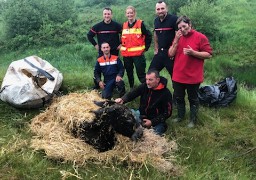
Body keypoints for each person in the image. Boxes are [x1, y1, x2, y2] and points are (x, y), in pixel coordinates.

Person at [168, 16, 213, 128]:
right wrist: (176, 41)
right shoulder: (178, 37)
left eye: (184, 26)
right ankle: (180, 116)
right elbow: (170, 54)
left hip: (193, 76)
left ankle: (193, 120)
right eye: (180, 27)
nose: (182, 29)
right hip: (178, 75)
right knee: (179, 98)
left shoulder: (200, 37)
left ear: (190, 25)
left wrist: (194, 53)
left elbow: (208, 54)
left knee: (193, 99)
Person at [115, 69, 172, 135]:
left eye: (150, 80)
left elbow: (168, 113)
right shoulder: (145, 86)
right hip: (141, 115)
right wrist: (122, 99)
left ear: (158, 80)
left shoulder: (166, 93)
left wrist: (152, 122)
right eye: (146, 79)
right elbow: (133, 93)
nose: (147, 82)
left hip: (156, 120)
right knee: (123, 117)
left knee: (153, 136)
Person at [120, 6, 152, 89]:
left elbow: (148, 35)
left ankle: (147, 90)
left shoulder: (140, 24)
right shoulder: (124, 25)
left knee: (141, 74)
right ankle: (131, 88)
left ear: (134, 13)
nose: (129, 14)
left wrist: (146, 48)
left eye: (131, 12)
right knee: (129, 73)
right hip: (127, 56)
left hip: (138, 55)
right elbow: (122, 38)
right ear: (126, 14)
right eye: (128, 13)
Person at [149, 1, 178, 79]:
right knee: (151, 73)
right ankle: (156, 90)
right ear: (156, 10)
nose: (160, 11)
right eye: (158, 9)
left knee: (175, 77)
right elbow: (155, 34)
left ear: (167, 9)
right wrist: (156, 48)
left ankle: (177, 91)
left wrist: (173, 51)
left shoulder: (174, 19)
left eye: (162, 8)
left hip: (170, 53)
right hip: (160, 52)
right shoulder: (156, 21)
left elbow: (178, 36)